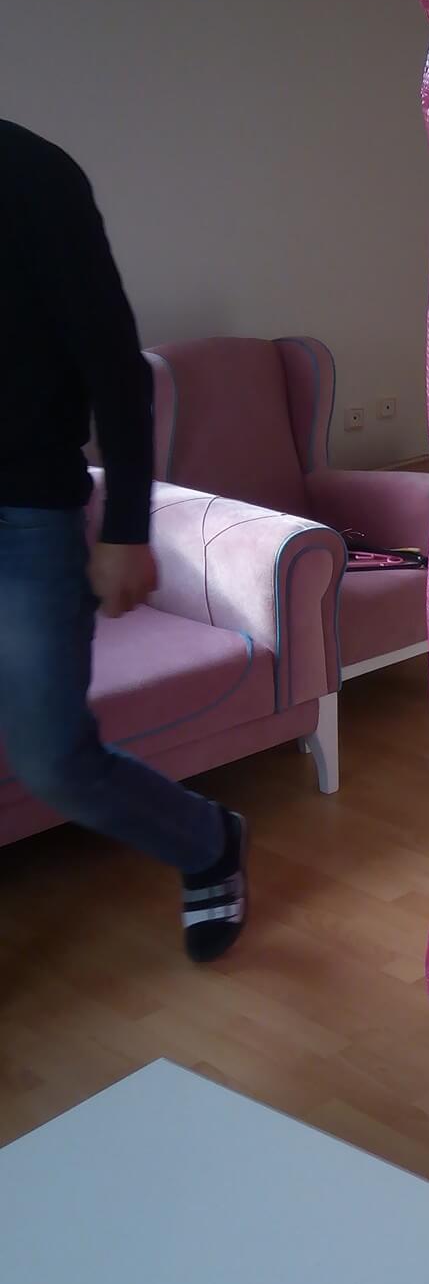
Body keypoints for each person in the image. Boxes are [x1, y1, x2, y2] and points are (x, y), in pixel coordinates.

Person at [0, 120, 248, 960]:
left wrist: (128, 527)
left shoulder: (30, 174)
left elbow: (115, 366)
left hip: (25, 514)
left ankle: (208, 840)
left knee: (55, 762)